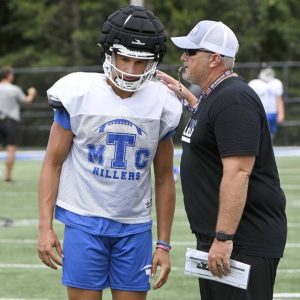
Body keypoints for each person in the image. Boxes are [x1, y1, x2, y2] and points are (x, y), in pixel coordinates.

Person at [37, 5, 182, 300]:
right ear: (109, 53)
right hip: (83, 222)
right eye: (125, 59)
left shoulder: (162, 102)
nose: (130, 70)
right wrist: (44, 228)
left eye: (140, 62)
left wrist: (164, 244)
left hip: (135, 228)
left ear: (153, 63)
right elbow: (52, 163)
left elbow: (165, 178)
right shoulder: (79, 93)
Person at [156, 20, 287, 300]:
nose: (183, 57)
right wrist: (185, 94)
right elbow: (210, 123)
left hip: (240, 241)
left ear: (214, 59)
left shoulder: (234, 99)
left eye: (191, 52)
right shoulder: (215, 96)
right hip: (223, 239)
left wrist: (224, 238)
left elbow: (238, 172)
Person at [0, 66, 37, 182]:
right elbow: (26, 101)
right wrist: (31, 93)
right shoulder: (14, 89)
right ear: (8, 75)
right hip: (11, 121)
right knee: (11, 149)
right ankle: (8, 177)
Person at [249, 66, 285, 140]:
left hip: (272, 113)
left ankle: (268, 149)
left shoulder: (276, 83)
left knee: (271, 135)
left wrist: (281, 113)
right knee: (259, 134)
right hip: (259, 113)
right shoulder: (254, 83)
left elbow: (279, 99)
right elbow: (250, 101)